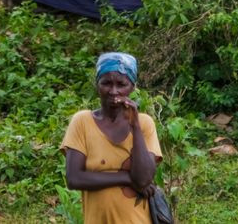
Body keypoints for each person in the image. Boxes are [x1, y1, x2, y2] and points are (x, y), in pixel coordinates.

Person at [61, 52, 162, 224]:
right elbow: (74, 178)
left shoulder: (144, 124)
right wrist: (127, 178)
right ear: (97, 85)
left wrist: (135, 127)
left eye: (121, 84)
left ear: (132, 87)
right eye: (106, 83)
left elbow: (144, 179)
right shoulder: (82, 122)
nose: (113, 91)